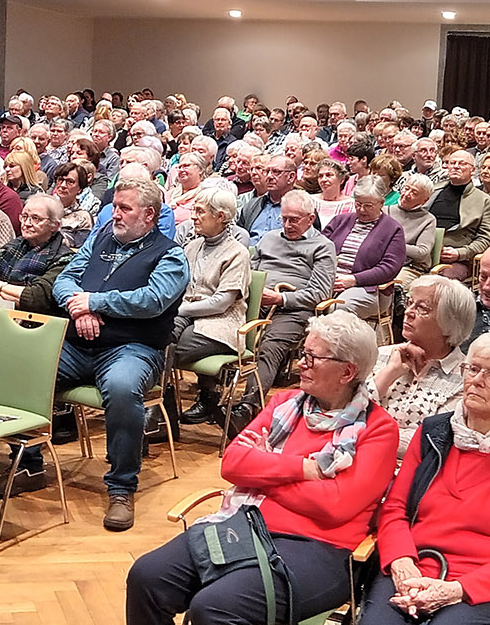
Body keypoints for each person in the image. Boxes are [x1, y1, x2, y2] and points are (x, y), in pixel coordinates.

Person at [126, 315, 399, 625]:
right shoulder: (284, 404)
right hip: (242, 526)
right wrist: (303, 468)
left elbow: (336, 505)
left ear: (347, 371)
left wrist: (265, 473)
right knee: (146, 576)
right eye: (301, 354)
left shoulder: (378, 430)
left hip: (318, 548)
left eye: (311, 357)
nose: (300, 364)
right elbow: (232, 463)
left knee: (212, 608)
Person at [355, 331, 490, 625]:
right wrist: (402, 564)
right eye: (473, 369)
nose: (476, 380)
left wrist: (457, 590)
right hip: (411, 567)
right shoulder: (431, 435)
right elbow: (395, 510)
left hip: (486, 588)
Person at [42, 178, 188, 531]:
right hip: (80, 344)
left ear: (149, 215)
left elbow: (153, 300)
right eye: (115, 207)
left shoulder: (170, 255)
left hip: (133, 347)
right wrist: (80, 309)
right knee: (29, 372)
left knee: (123, 389)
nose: (115, 214)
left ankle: (122, 487)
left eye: (125, 208)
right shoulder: (101, 238)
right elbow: (64, 280)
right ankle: (29, 463)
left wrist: (95, 302)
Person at [224, 190, 336, 430]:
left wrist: (281, 298)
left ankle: (247, 406)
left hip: (293, 309)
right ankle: (209, 397)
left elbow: (320, 293)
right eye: (284, 218)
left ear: (310, 218)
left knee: (270, 346)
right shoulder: (269, 238)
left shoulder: (323, 247)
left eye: (294, 219)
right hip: (255, 302)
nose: (287, 224)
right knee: (217, 330)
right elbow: (248, 270)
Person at [167, 187, 249, 425]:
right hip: (187, 317)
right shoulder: (192, 246)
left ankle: (164, 411)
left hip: (220, 323)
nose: (193, 216)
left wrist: (179, 310)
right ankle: (164, 410)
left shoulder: (237, 253)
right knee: (155, 339)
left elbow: (221, 303)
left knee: (163, 350)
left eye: (200, 211)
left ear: (220, 217)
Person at [370, 274, 477, 453]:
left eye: (422, 308)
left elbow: (432, 441)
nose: (408, 312)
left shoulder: (466, 376)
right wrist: (389, 372)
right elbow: (346, 414)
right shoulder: (381, 355)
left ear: (450, 323)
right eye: (409, 302)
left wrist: (365, 434)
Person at [322, 176, 407, 321]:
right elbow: (319, 248)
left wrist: (353, 279)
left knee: (339, 307)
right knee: (299, 298)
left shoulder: (393, 229)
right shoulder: (340, 220)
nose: (361, 209)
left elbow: (389, 268)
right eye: (358, 204)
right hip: (328, 280)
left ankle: (340, 344)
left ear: (381, 203)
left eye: (368, 205)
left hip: (368, 288)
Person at [432, 151, 490, 282]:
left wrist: (461, 253)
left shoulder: (483, 200)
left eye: (462, 163)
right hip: (424, 253)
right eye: (452, 163)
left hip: (457, 260)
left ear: (472, 170)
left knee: (439, 283)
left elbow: (486, 238)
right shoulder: (432, 190)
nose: (455, 166)